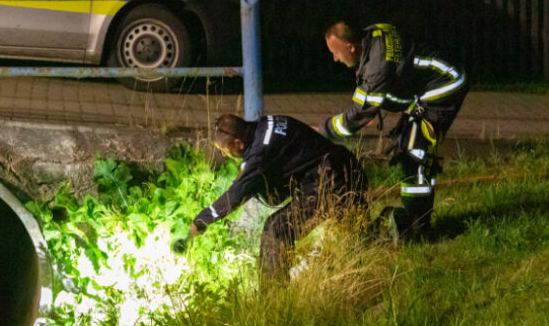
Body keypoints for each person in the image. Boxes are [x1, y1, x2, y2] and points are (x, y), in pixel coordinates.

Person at [322, 21, 467, 238]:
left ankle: (419, 227)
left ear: (351, 47)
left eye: (335, 52)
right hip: (435, 81)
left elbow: (355, 117)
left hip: (444, 85)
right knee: (406, 143)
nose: (335, 58)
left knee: (414, 150)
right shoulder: (373, 33)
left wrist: (323, 131)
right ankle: (415, 221)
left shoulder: (376, 68)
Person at [187, 113, 368, 283]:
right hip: (345, 168)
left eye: (224, 150)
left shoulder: (259, 154)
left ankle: (273, 295)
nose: (224, 155)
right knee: (362, 242)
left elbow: (237, 193)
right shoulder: (266, 124)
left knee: (276, 229)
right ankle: (392, 223)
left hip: (332, 181)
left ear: (238, 143)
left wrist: (202, 220)